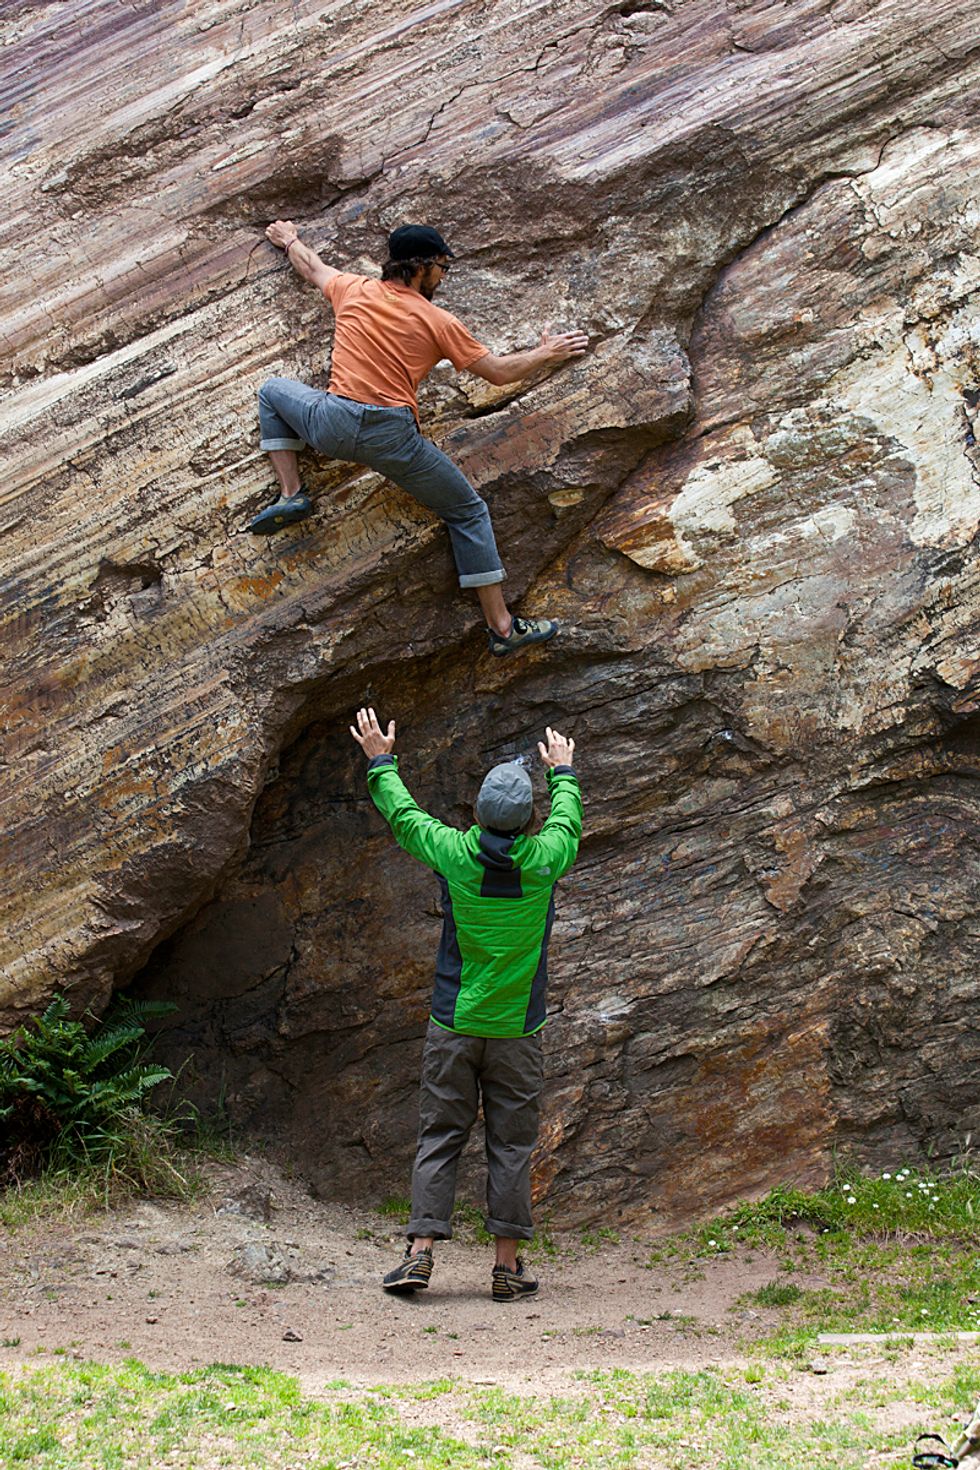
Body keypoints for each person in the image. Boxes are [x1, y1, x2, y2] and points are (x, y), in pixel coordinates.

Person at [252, 220, 589, 656]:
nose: (444, 277)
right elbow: (499, 373)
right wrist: (547, 352)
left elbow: (312, 267)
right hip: (392, 438)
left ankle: (291, 494)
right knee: (468, 512)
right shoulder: (438, 321)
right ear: (420, 266)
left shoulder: (353, 289)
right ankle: (503, 629)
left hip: (331, 427)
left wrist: (289, 240)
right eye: (442, 267)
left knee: (272, 391)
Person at [349, 705, 583, 1302]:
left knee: (440, 1136)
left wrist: (381, 761)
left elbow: (405, 818)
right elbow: (568, 822)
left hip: (453, 1025)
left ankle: (420, 1254)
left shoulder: (453, 853)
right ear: (529, 818)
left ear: (477, 814)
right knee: (510, 1144)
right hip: (517, 1033)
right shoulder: (546, 860)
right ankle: (506, 1269)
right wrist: (562, 772)